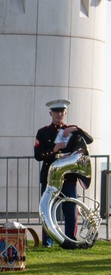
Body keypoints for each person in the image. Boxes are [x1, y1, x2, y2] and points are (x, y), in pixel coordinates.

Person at [34, 98, 93, 247]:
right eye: (56, 112)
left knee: (70, 211)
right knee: (47, 210)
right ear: (50, 113)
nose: (59, 114)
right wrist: (52, 150)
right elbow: (38, 155)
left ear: (65, 113)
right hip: (50, 177)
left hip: (68, 177)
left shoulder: (72, 131)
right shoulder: (43, 132)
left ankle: (70, 240)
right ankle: (47, 242)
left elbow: (89, 140)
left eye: (61, 112)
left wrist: (75, 129)